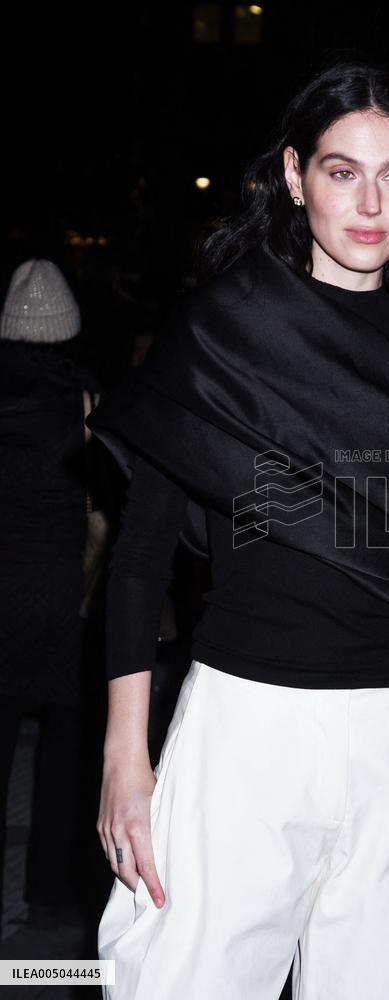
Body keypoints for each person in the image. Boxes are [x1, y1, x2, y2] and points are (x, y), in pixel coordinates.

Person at [88, 60, 389, 1000]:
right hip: (252, 723)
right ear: (292, 174)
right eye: (340, 171)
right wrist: (127, 756)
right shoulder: (222, 333)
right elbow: (140, 559)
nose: (369, 204)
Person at [0, 259, 105, 936]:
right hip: (66, 594)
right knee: (68, 750)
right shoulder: (90, 404)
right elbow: (103, 513)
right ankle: (53, 894)